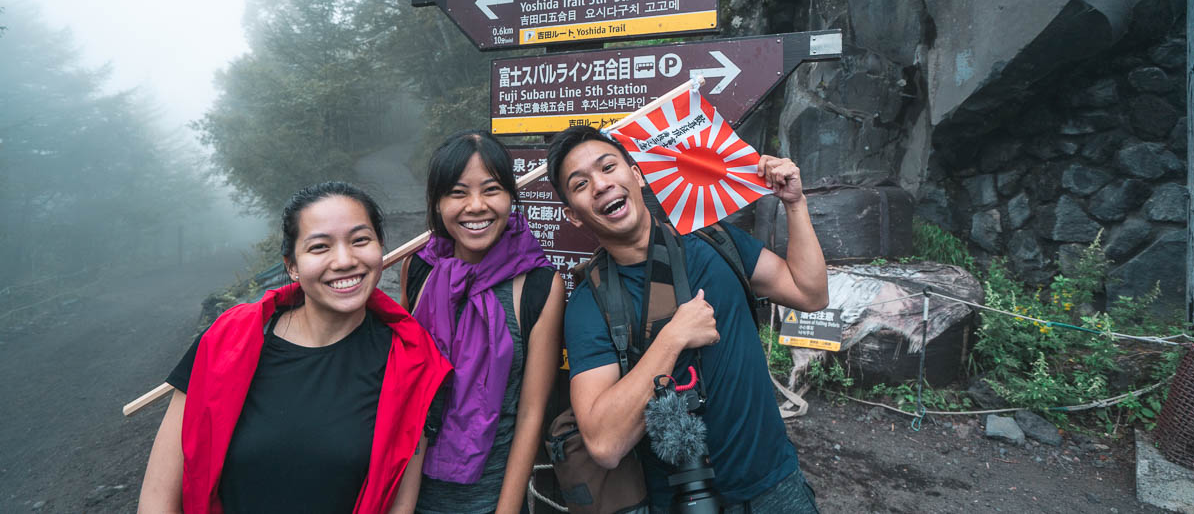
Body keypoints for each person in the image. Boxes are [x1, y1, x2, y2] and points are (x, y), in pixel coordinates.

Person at [545, 125, 828, 513]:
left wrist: (794, 204)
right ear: (573, 216)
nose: (600, 185)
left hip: (778, 485)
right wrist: (673, 337)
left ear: (637, 174)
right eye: (580, 184)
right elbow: (605, 443)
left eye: (608, 167)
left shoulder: (715, 243)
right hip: (680, 503)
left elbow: (809, 293)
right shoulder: (588, 305)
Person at [138, 182, 451, 514]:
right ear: (292, 265)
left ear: (380, 248)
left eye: (360, 240)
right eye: (319, 247)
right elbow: (158, 498)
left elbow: (398, 505)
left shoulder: (410, 363)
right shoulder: (226, 343)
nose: (344, 260)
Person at [400, 130, 566, 514]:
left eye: (491, 189)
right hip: (408, 490)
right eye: (457, 193)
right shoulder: (419, 269)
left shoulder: (538, 286)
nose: (476, 206)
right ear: (438, 203)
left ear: (510, 196)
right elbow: (405, 391)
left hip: (489, 498)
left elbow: (530, 413)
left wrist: (505, 510)